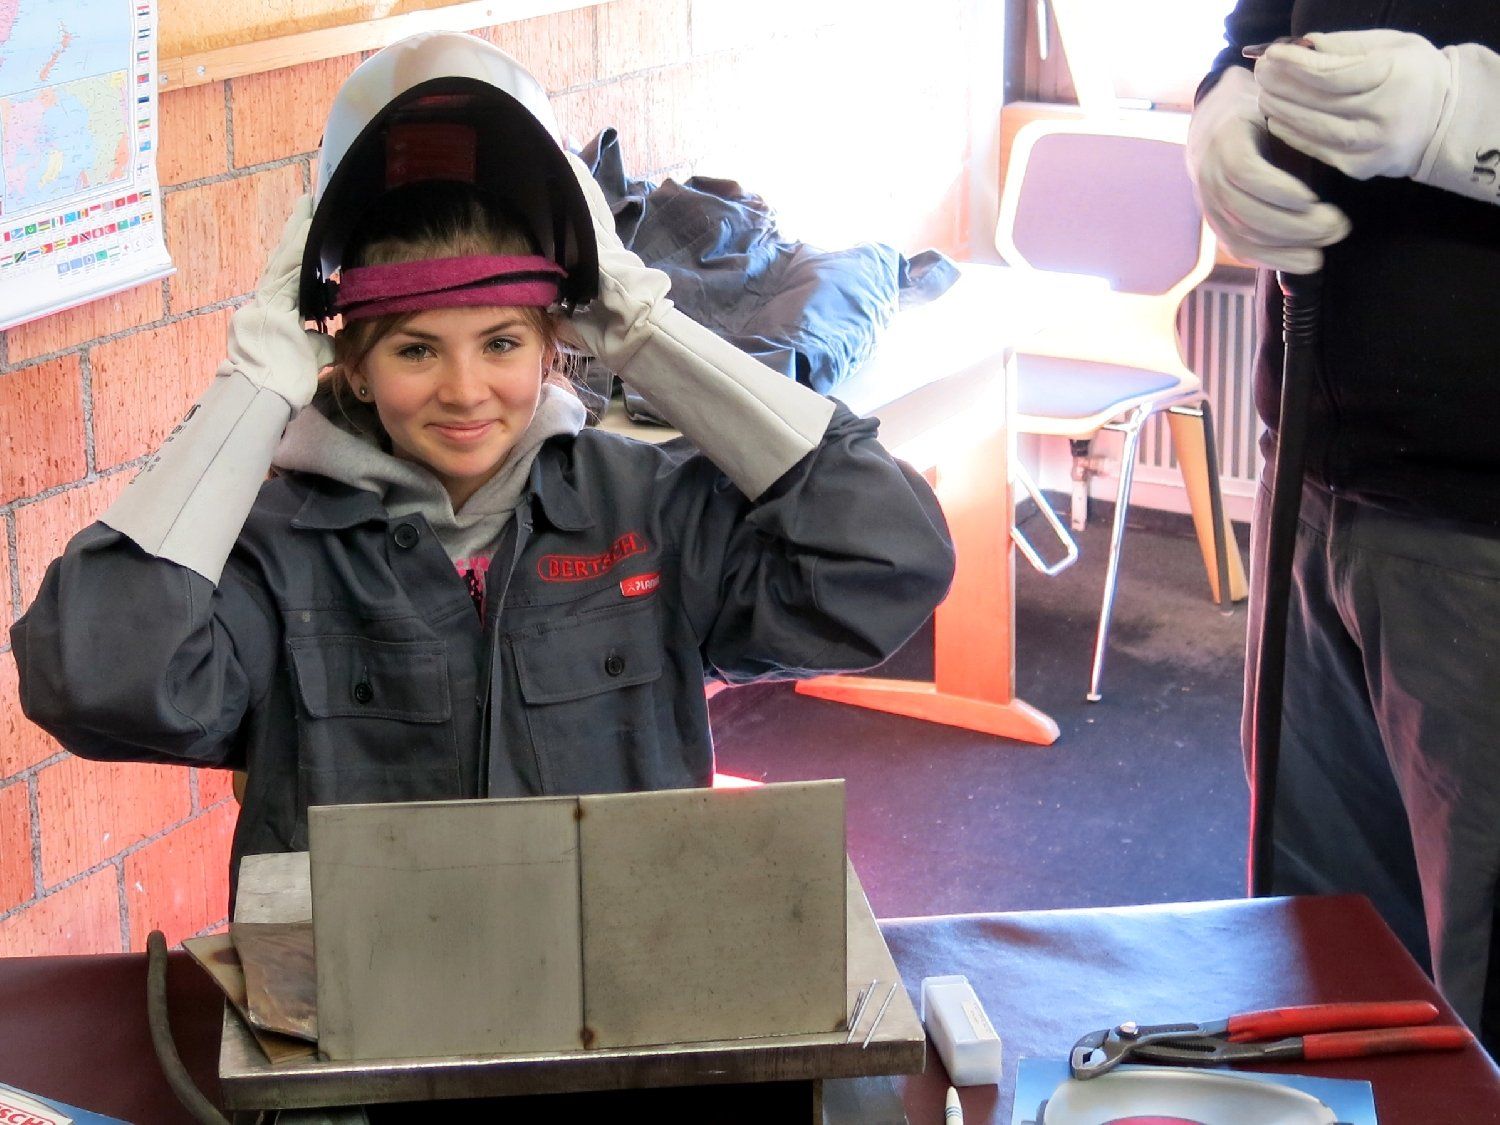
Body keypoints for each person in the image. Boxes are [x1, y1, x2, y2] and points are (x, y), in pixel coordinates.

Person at [10, 33, 954, 891]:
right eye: (416, 349)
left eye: (501, 342)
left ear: (553, 344)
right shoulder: (275, 555)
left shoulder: (648, 514)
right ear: (353, 365)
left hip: (616, 1003)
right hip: (365, 1013)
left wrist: (651, 332)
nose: (465, 391)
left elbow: (887, 560)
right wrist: (257, 378)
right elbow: (95, 679)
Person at [1187, 5, 1500, 1051]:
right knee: (1317, 966)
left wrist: (1466, 118)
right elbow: (1256, 31)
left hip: (1482, 535)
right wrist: (1223, 110)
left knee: (1485, 1002)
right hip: (1311, 484)